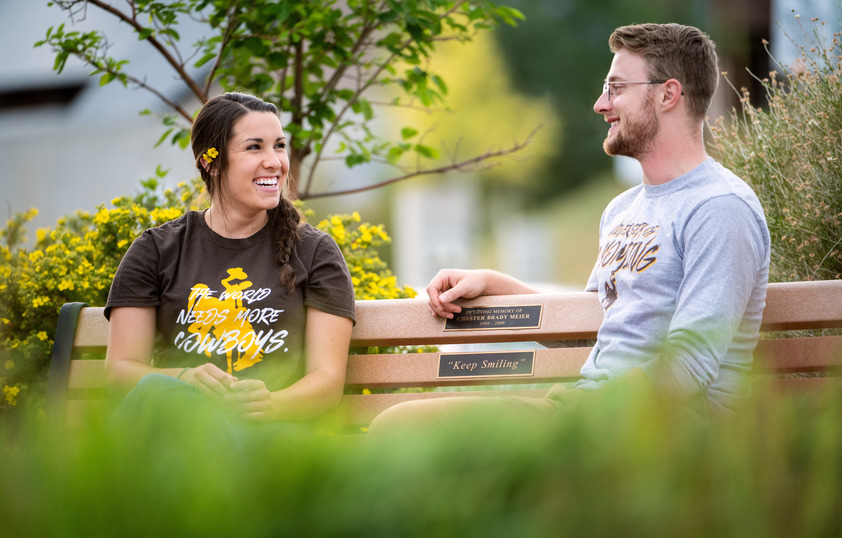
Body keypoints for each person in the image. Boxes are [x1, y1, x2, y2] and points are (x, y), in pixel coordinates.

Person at [369, 23, 770, 437]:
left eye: (616, 88)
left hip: (658, 437)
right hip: (586, 415)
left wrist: (579, 414)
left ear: (668, 94)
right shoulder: (623, 210)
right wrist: (493, 283)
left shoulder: (720, 208)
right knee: (397, 426)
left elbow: (689, 365)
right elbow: (587, 330)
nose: (600, 104)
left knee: (402, 432)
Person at [103, 92, 356, 448]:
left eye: (279, 146)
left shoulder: (314, 252)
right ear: (212, 163)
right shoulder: (156, 251)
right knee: (161, 393)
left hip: (268, 442)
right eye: (254, 147)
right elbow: (120, 371)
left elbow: (327, 381)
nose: (275, 162)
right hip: (174, 435)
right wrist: (185, 378)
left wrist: (270, 404)